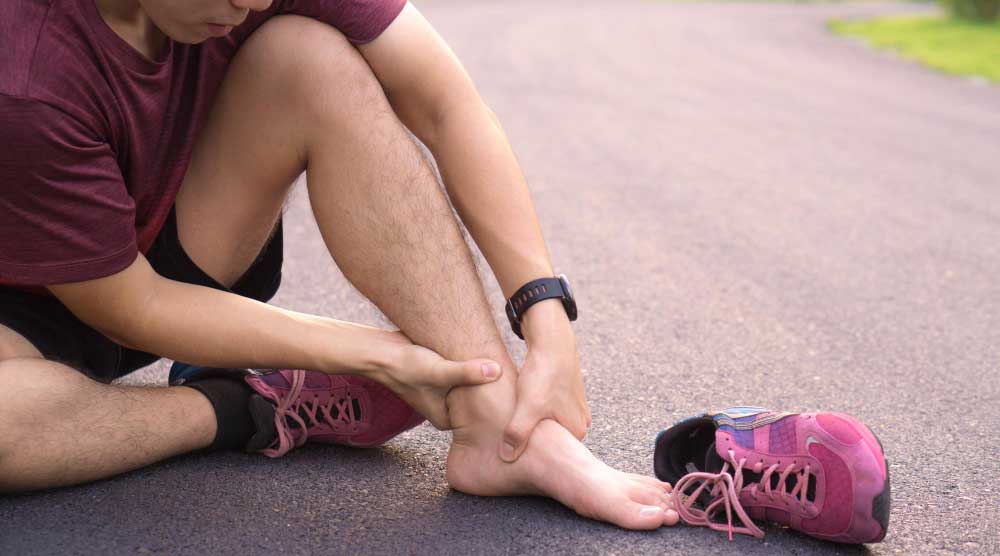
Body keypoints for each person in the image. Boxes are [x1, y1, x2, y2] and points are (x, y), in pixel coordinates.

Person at [0, 0, 678, 530]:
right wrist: (370, 355)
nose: (252, 3)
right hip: (40, 308)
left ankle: (503, 432)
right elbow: (132, 307)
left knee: (306, 57)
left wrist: (545, 311)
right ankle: (238, 407)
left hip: (167, 240)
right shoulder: (25, 70)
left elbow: (446, 105)